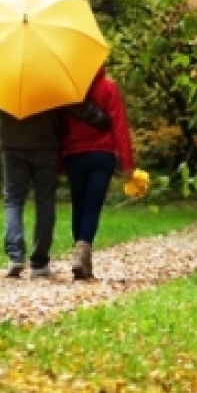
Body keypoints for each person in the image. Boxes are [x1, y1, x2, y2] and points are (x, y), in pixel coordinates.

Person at [0, 101, 110, 278]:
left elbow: (0, 106)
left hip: (13, 144)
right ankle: (39, 262)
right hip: (46, 145)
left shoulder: (5, 79)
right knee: (45, 200)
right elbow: (73, 105)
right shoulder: (50, 78)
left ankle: (15, 256)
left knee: (13, 200)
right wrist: (100, 119)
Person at [61, 66, 134, 280]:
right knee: (92, 208)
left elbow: (62, 127)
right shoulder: (108, 87)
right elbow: (119, 125)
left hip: (74, 154)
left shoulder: (69, 91)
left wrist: (59, 160)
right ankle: (82, 257)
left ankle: (81, 259)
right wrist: (127, 162)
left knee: (79, 206)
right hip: (101, 156)